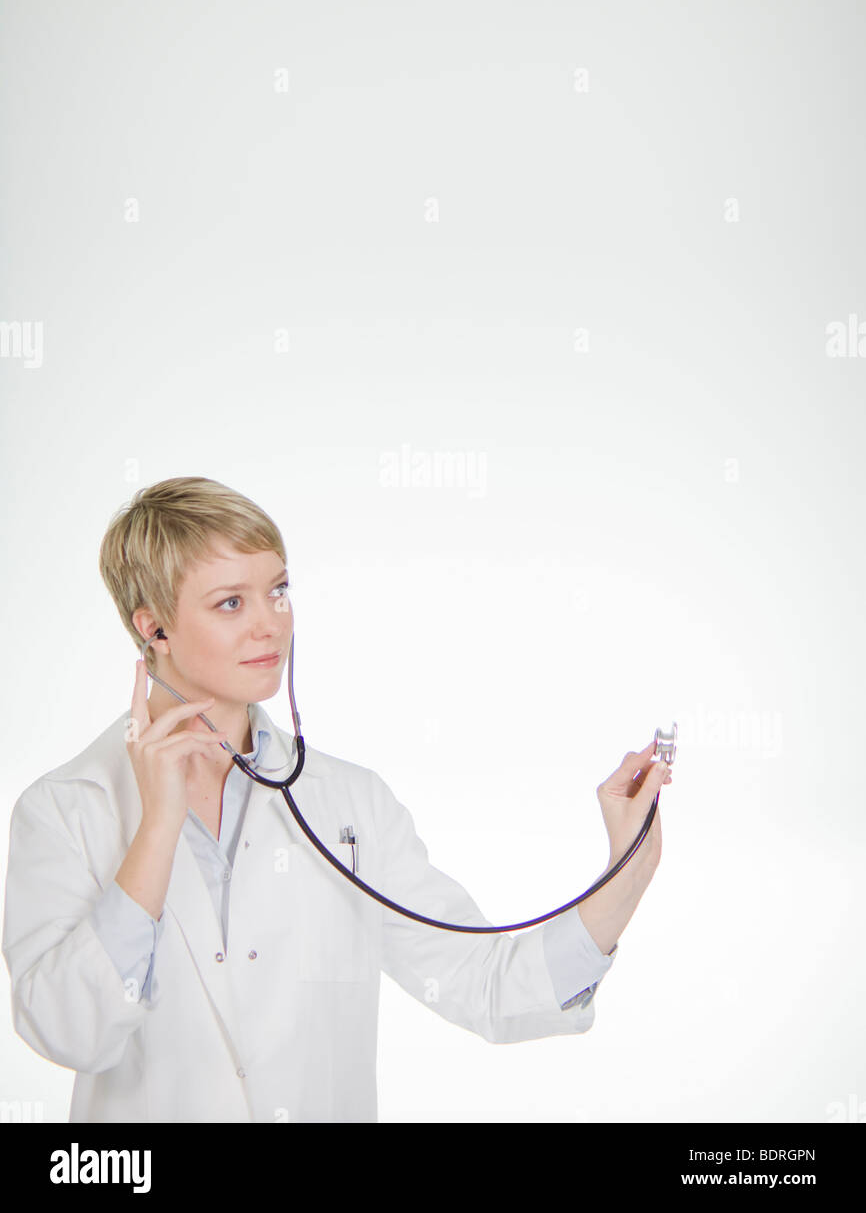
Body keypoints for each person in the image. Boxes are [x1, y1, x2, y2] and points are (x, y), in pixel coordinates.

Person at [1, 476, 672, 1123]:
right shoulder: (64, 810)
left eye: (278, 591)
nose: (271, 625)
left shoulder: (350, 804)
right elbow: (68, 1032)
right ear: (154, 629)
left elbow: (485, 985)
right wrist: (157, 829)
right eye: (232, 602)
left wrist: (627, 865)